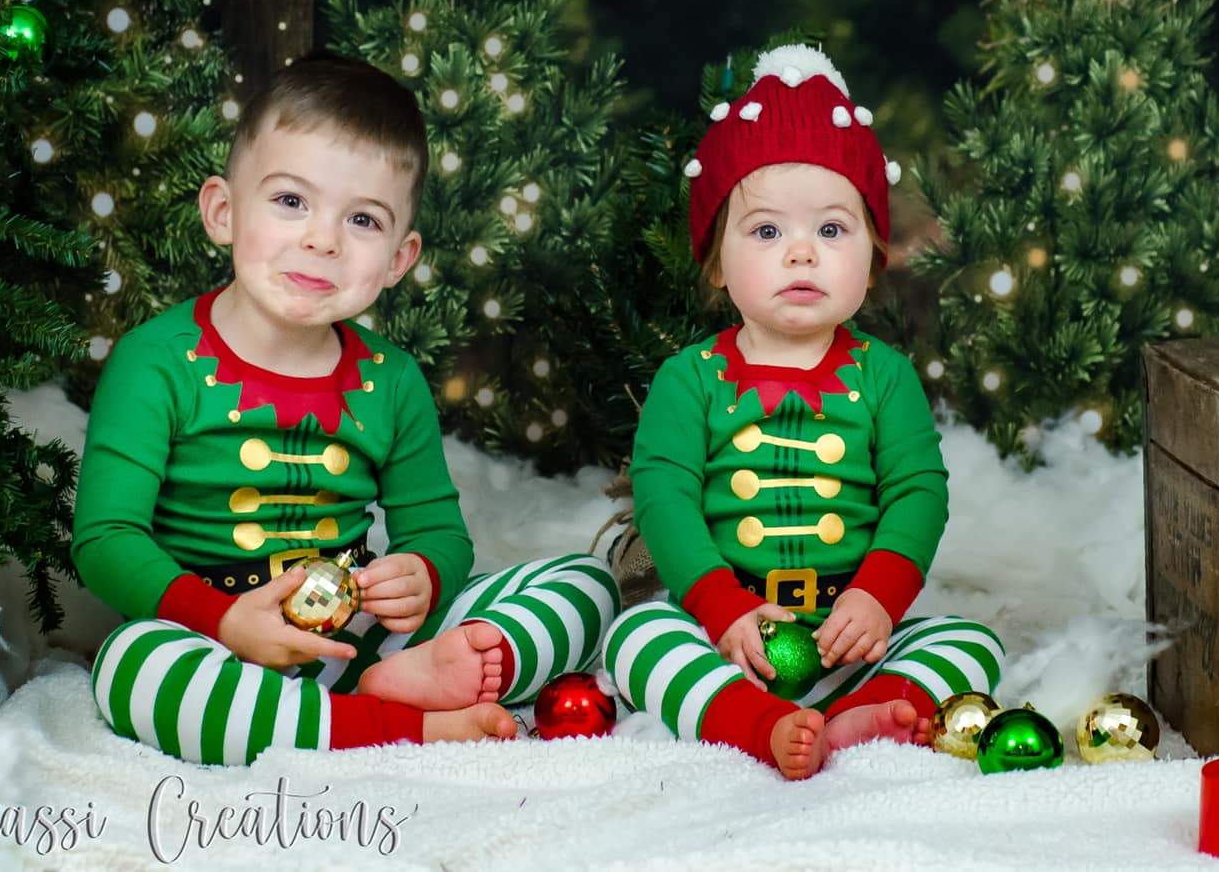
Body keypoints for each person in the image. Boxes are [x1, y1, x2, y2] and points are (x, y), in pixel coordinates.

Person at [75, 55, 618, 764]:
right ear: (222, 212)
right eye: (291, 201)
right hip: (215, 637)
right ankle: (401, 725)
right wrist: (227, 621)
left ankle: (402, 681)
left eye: (362, 219)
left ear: (398, 259)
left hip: (361, 630)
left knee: (586, 582)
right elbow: (106, 537)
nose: (323, 240)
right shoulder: (157, 361)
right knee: (133, 669)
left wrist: (422, 574)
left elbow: (440, 534)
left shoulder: (388, 379)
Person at [601, 44, 1003, 778]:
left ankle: (855, 714)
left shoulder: (884, 377)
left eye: (831, 230)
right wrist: (723, 610)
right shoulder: (689, 379)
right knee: (637, 638)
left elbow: (918, 491)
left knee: (973, 643)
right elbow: (665, 502)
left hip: (851, 634)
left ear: (874, 258)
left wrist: (879, 600)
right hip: (729, 634)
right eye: (766, 232)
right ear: (717, 262)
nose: (801, 255)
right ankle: (756, 722)